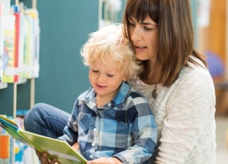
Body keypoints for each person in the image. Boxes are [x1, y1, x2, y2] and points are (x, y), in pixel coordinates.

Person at [25, 0, 216, 163]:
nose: (135, 36)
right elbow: (96, 114)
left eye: (147, 28)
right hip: (113, 147)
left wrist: (117, 160)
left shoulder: (193, 83)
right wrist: (74, 147)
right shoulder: (130, 53)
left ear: (172, 29)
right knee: (38, 117)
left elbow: (166, 160)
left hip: (143, 157)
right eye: (131, 24)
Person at [25, 24, 157, 164]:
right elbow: (70, 134)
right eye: (95, 71)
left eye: (110, 75)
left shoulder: (134, 103)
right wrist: (55, 152)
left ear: (125, 75)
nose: (100, 79)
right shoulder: (83, 101)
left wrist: (116, 161)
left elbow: (146, 144)